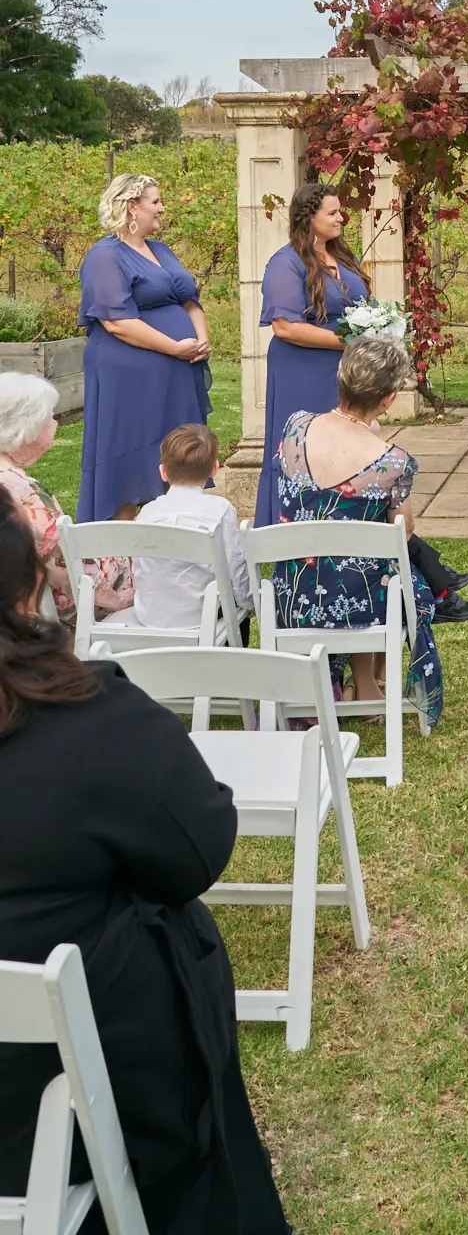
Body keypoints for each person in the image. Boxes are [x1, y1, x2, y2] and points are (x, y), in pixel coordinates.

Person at [0, 504, 290, 1233]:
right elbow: (199, 847)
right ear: (32, 582)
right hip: (49, 1108)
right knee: (176, 935)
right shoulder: (90, 719)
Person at [273, 333, 455, 721]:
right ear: (387, 399)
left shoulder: (294, 428)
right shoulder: (395, 462)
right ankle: (373, 681)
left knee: (360, 568)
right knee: (398, 577)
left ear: (341, 377)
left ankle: (360, 683)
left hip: (292, 596)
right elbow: (401, 532)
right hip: (361, 606)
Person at [77, 174, 211, 521]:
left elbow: (189, 300)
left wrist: (200, 337)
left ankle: (173, 540)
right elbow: (116, 322)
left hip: (176, 373)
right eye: (155, 201)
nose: (162, 208)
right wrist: (174, 347)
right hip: (130, 379)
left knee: (178, 460)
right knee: (129, 461)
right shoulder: (104, 256)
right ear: (131, 206)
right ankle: (122, 556)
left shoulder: (161, 250)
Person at [257, 183, 370, 528]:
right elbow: (285, 327)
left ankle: (344, 522)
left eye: (340, 211)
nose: (342, 219)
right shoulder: (285, 263)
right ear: (309, 218)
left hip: (342, 369)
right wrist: (349, 341)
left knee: (346, 444)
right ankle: (295, 527)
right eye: (333, 213)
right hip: (302, 370)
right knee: (305, 448)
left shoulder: (341, 255)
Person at [0, 371, 130, 626]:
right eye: (50, 418)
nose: (56, 424)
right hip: (52, 605)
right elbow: (67, 569)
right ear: (28, 428)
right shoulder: (24, 493)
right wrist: (122, 594)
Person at [130, 425, 253, 632]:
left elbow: (141, 569)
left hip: (150, 614)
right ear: (215, 469)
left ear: (163, 472)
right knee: (237, 605)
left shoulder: (147, 513)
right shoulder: (220, 511)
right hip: (204, 615)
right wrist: (249, 603)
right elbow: (236, 567)